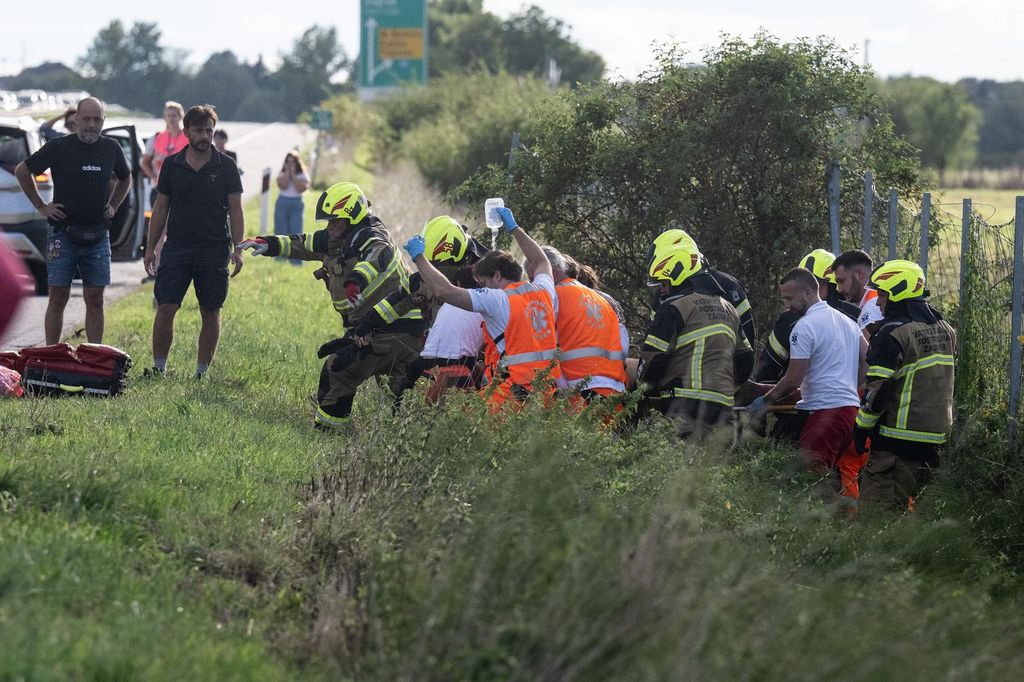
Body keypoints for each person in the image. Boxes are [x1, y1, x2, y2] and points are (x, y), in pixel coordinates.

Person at [239, 182, 425, 429]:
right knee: (401, 389)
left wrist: (355, 283)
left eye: (335, 221)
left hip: (396, 327)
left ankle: (329, 432)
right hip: (388, 327)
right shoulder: (339, 239)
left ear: (351, 218)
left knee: (340, 369)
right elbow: (304, 243)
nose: (330, 226)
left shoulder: (373, 238)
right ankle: (413, 431)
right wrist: (268, 244)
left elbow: (373, 260)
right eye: (328, 221)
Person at [404, 206, 560, 412]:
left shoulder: (497, 299)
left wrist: (419, 258)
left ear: (497, 276)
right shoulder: (543, 291)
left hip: (514, 395)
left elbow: (444, 291)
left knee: (464, 424)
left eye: (484, 282)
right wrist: (514, 228)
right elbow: (541, 260)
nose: (483, 287)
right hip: (547, 392)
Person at [14, 97, 132, 345]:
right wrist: (41, 206)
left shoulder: (111, 148)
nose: (91, 125)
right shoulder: (59, 146)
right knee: (58, 296)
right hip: (62, 233)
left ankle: (94, 354)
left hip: (98, 233)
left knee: (95, 298)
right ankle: (51, 353)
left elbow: (125, 177)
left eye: (96, 119)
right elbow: (23, 170)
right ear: (76, 119)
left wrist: (113, 205)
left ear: (103, 121)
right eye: (86, 119)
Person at [143, 104, 244, 379]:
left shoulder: (226, 166)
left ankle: (201, 373)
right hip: (177, 247)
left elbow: (236, 210)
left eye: (209, 131)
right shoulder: (172, 165)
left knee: (210, 310)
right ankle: (159, 368)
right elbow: (161, 207)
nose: (204, 136)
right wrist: (151, 248)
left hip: (214, 248)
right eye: (198, 130)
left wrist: (239, 249)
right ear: (186, 131)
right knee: (166, 306)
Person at [854, 260, 956, 509]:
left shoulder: (891, 334)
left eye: (882, 295)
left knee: (878, 518)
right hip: (938, 443)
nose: (878, 302)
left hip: (896, 445)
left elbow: (878, 392)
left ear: (898, 292)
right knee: (927, 522)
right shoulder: (946, 330)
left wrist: (860, 428)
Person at [749, 268, 867, 475]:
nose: (786, 305)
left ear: (808, 293)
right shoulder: (847, 322)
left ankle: (841, 501)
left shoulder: (804, 327)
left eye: (789, 298)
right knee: (820, 478)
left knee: (808, 478)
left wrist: (765, 402)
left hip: (826, 414)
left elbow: (794, 378)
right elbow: (868, 360)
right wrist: (850, 386)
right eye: (783, 299)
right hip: (849, 413)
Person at [358, 215, 487, 401]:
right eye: (428, 264)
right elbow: (395, 302)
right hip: (439, 352)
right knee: (415, 396)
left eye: (435, 266)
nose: (429, 272)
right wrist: (366, 324)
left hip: (479, 358)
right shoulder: (422, 281)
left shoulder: (483, 281)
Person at [639, 239, 753, 439]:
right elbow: (746, 361)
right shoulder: (729, 308)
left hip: (684, 410)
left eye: (664, 283)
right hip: (724, 414)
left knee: (679, 461)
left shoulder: (674, 307)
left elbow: (653, 361)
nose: (662, 290)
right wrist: (725, 389)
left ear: (677, 274)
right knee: (719, 459)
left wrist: (639, 395)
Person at [536, 246, 627, 402]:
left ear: (552, 273)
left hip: (579, 391)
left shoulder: (553, 297)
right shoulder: (603, 299)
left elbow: (544, 348)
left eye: (535, 278)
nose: (535, 284)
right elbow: (623, 344)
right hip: (614, 390)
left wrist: (562, 388)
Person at [651, 228, 756, 349]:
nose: (662, 289)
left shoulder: (729, 287)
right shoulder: (662, 296)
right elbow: (653, 340)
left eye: (663, 283)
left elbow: (748, 338)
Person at [140, 101, 188, 283]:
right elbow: (145, 162)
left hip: (182, 190)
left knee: (181, 231)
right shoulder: (157, 138)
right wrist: (153, 175)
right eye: (168, 115)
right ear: (164, 117)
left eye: (174, 115)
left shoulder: (187, 137)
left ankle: (179, 269)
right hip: (160, 189)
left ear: (181, 117)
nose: (171, 119)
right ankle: (156, 270)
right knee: (158, 231)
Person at [833, 249, 884, 332]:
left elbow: (869, 341)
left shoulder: (870, 308)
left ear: (859, 274)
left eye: (842, 281)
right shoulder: (877, 299)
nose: (839, 289)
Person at [274, 151, 309, 265]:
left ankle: (295, 260)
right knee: (281, 230)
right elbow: (283, 185)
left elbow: (301, 188)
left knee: (296, 231)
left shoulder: (302, 174)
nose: (290, 164)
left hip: (296, 203)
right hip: (282, 202)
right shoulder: (282, 173)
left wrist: (293, 174)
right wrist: (288, 172)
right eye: (288, 162)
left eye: (292, 162)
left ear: (297, 163)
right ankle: (280, 258)